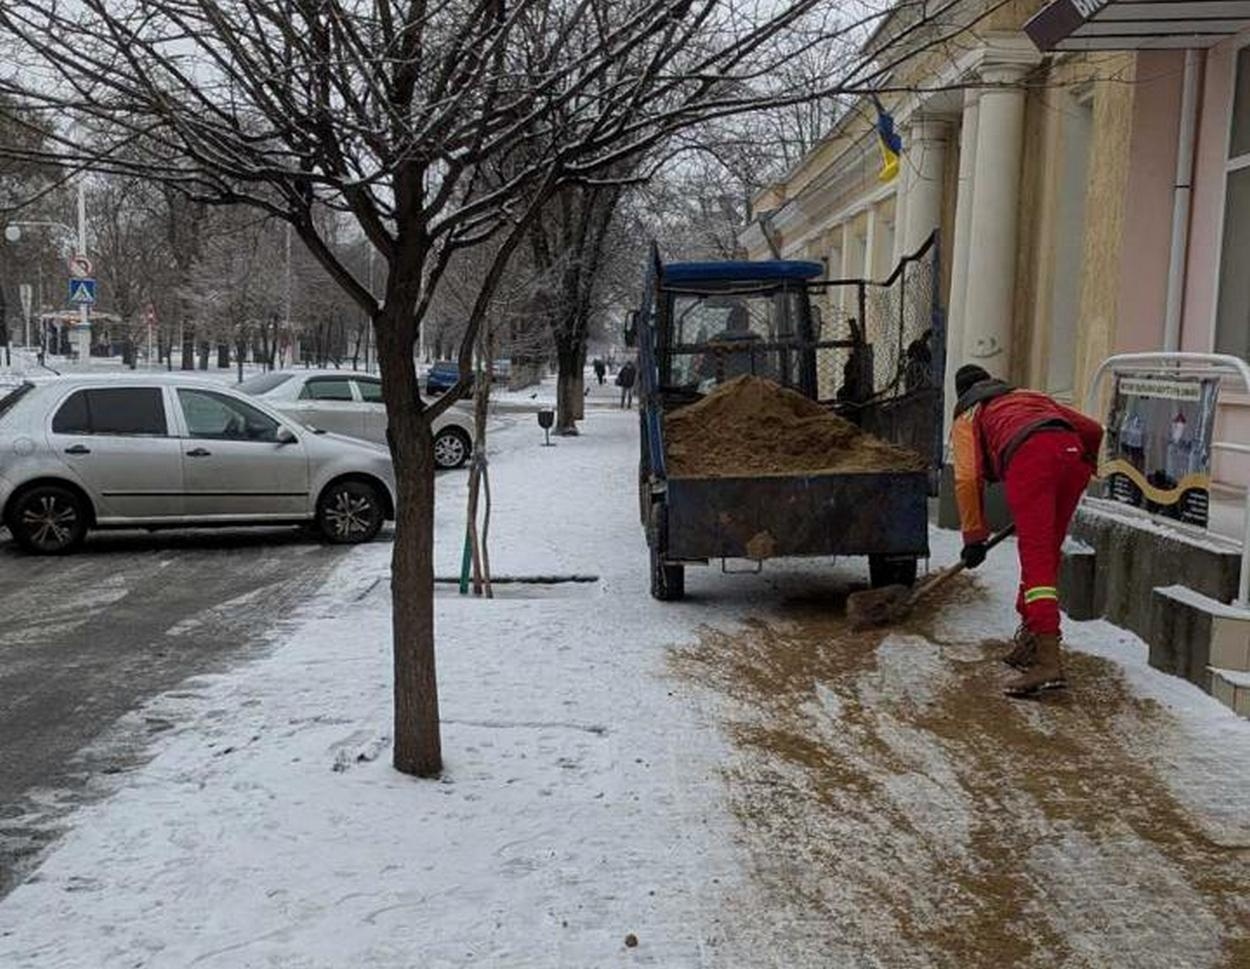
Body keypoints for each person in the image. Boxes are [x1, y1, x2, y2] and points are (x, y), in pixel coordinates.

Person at [950, 364, 1104, 697]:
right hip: (1071, 458)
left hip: (1030, 459)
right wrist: (1085, 463)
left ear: (962, 393)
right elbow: (1092, 430)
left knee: (1036, 559)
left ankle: (1047, 662)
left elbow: (967, 478)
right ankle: (1032, 639)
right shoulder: (1027, 395)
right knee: (1045, 556)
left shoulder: (968, 414)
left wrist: (974, 538)